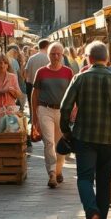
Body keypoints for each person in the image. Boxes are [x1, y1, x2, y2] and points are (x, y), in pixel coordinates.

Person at [60, 41, 111, 219]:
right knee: (104, 181)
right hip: (110, 138)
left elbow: (65, 107)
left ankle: (92, 210)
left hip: (84, 137)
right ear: (106, 59)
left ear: (89, 59)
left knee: (84, 178)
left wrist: (66, 131)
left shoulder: (80, 78)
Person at [32, 41, 74, 188]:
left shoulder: (68, 72)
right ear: (48, 55)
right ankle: (52, 173)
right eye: (52, 54)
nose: (55, 57)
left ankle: (59, 170)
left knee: (60, 143)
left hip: (62, 111)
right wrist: (34, 116)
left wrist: (73, 111)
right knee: (49, 142)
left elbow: (73, 94)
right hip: (45, 109)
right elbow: (35, 94)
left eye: (58, 54)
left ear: (62, 55)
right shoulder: (41, 72)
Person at [25, 39, 50, 109]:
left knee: (32, 107)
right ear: (47, 46)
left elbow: (25, 73)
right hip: (45, 88)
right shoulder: (49, 58)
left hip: (31, 86)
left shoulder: (31, 58)